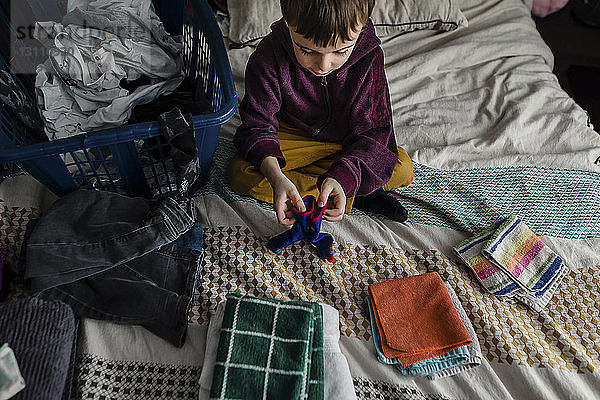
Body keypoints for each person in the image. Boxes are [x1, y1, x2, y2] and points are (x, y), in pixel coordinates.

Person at [227, 0, 413, 226]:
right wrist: (276, 178)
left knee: (402, 168)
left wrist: (342, 177)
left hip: (347, 140)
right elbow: (257, 126)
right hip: (292, 136)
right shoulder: (268, 55)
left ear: (361, 27)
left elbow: (374, 131)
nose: (324, 65)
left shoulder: (369, 58)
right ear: (288, 23)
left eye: (341, 51)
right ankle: (354, 195)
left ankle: (341, 186)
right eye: (307, 50)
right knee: (241, 173)